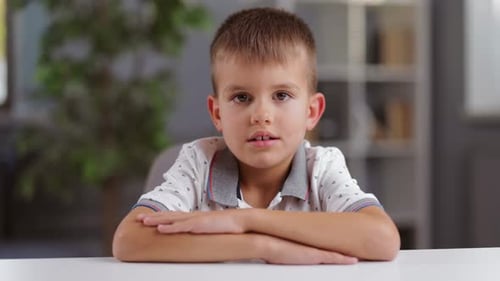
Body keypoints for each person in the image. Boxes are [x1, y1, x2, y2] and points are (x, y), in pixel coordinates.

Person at [112, 7, 400, 265]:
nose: (261, 115)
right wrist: (262, 246)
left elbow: (383, 239)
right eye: (241, 97)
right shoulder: (198, 163)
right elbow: (129, 239)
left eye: (282, 95)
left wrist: (244, 219)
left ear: (312, 111)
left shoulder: (321, 167)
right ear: (217, 113)